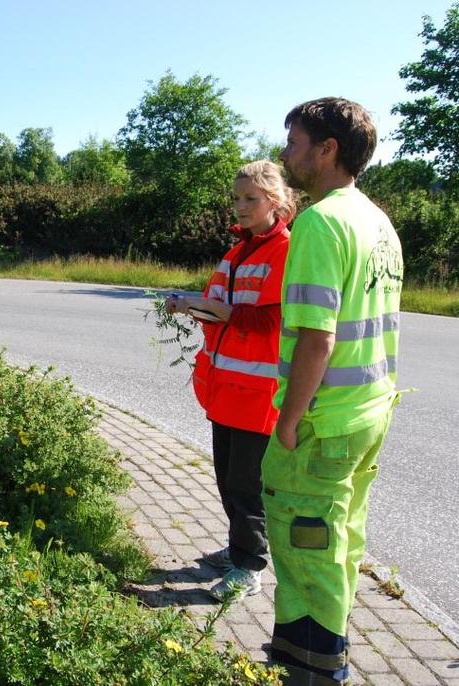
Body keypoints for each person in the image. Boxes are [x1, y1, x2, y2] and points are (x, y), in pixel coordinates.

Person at [263, 98, 403, 685]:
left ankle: (316, 670)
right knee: (340, 542)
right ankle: (323, 655)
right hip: (369, 410)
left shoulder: (321, 223)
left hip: (323, 425)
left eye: (295, 141)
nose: (287, 152)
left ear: (328, 150)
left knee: (306, 547)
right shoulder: (377, 221)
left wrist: (290, 421)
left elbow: (316, 340)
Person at [165, 159, 295, 601]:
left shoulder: (284, 251)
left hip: (258, 393)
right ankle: (240, 548)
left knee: (246, 485)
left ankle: (249, 567)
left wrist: (221, 311)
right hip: (226, 388)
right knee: (227, 478)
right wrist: (190, 305)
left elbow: (275, 321)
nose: (241, 206)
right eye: (237, 198)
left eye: (251, 199)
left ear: (275, 201)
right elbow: (219, 306)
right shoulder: (236, 251)